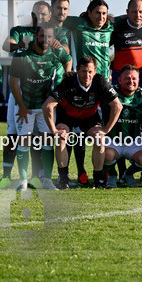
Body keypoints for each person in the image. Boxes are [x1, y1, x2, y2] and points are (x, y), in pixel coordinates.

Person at [6, 27, 72, 190]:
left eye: (49, 37)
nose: (45, 40)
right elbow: (13, 82)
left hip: (45, 108)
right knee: (24, 143)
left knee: (48, 142)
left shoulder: (57, 52)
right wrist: (21, 106)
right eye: (42, 36)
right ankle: (23, 182)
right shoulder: (22, 55)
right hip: (25, 107)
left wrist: (67, 73)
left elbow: (68, 59)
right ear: (35, 36)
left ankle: (47, 181)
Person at [42, 56, 122, 189]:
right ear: (77, 70)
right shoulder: (68, 81)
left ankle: (98, 180)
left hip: (89, 117)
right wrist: (54, 131)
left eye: (90, 71)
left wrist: (106, 129)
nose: (87, 75)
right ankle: (63, 179)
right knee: (61, 138)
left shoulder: (100, 81)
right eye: (84, 71)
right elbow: (47, 106)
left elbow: (118, 106)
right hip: (67, 117)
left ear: (95, 71)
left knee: (99, 139)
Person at [104, 65, 142, 188]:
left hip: (133, 141)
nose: (131, 81)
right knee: (107, 156)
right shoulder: (110, 93)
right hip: (113, 140)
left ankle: (128, 174)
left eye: (134, 78)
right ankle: (112, 174)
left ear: (139, 80)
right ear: (119, 80)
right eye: (127, 78)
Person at [110, 0, 142, 87]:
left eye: (141, 12)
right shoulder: (118, 28)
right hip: (122, 80)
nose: (138, 15)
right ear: (127, 12)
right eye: (134, 12)